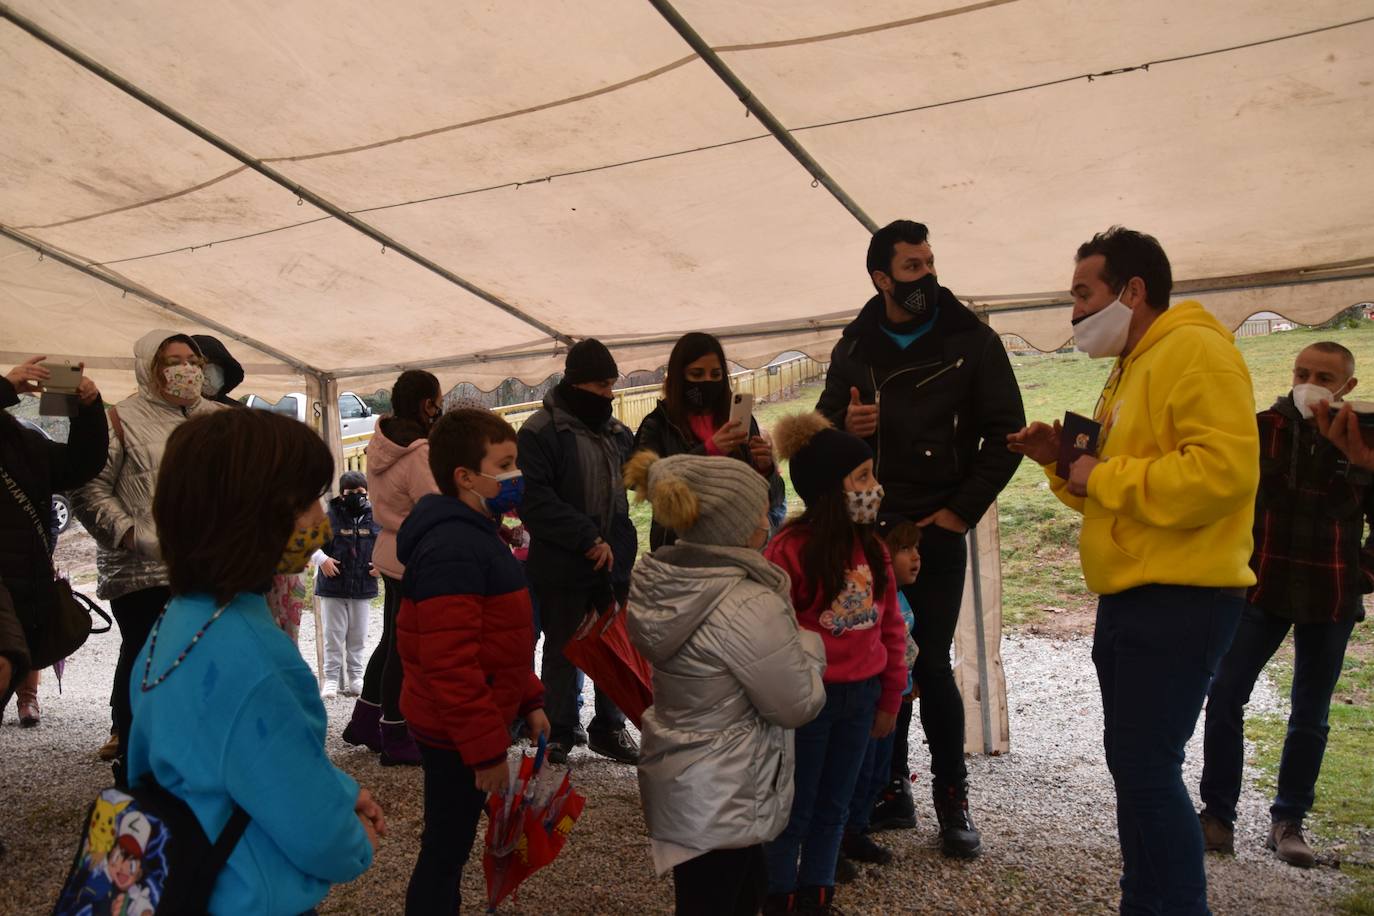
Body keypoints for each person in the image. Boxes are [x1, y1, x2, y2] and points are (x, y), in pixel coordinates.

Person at [1008, 226, 1259, 914]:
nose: (1075, 313)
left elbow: (1225, 473)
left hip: (1182, 595)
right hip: (1133, 594)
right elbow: (1105, 486)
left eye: (1083, 294)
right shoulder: (1135, 364)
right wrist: (1062, 460)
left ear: (1134, 290)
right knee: (1135, 768)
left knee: (1147, 770)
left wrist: (1105, 473)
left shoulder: (1198, 353)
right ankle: (1144, 901)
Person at [815, 219, 1024, 855]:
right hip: (868, 524)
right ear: (881, 278)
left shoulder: (972, 340)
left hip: (934, 525)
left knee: (927, 663)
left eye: (930, 263)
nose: (926, 276)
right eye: (912, 268)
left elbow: (1006, 435)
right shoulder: (854, 347)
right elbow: (821, 429)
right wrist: (842, 422)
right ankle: (889, 790)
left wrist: (961, 512)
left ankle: (953, 801)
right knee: (880, 662)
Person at [127, 407, 383, 915]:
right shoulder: (256, 659)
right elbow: (312, 827)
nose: (319, 518)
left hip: (192, 879)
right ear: (251, 512)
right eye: (307, 500)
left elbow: (229, 760)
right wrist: (353, 842)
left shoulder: (180, 621)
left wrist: (339, 788)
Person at [624, 450, 827, 916]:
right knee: (727, 897)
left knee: (718, 894)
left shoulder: (669, 582)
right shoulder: (746, 602)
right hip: (728, 787)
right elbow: (795, 705)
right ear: (733, 525)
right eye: (759, 509)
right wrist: (811, 649)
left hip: (690, 780)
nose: (767, 518)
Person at [1198, 342, 1372, 868]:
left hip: (1333, 591)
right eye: (1303, 372)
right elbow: (1224, 498)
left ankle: (1289, 821)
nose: (1311, 381)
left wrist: (1364, 573)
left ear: (1348, 387)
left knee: (1310, 713)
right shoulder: (1259, 429)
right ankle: (1217, 816)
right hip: (1261, 587)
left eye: (1325, 375)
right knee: (1225, 693)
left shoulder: (1364, 437)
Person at [394, 408, 548, 915]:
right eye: (504, 465)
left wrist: (528, 698)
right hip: (455, 729)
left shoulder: (480, 534)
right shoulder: (454, 547)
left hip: (472, 719)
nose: (516, 477)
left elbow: (499, 639)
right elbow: (450, 661)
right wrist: (484, 751)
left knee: (451, 841)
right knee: (446, 847)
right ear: (465, 476)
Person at [760, 412, 908, 914]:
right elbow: (772, 636)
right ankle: (779, 893)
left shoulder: (873, 548)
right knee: (795, 809)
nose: (876, 488)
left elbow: (891, 628)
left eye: (873, 475)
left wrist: (891, 697)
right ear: (828, 488)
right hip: (808, 705)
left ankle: (817, 895)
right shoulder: (788, 549)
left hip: (862, 699)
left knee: (835, 808)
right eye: (863, 478)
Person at [71, 332, 225, 775]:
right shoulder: (121, 419)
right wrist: (130, 535)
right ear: (148, 368)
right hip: (143, 573)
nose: (186, 369)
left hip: (210, 569)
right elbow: (88, 488)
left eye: (192, 360)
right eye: (171, 360)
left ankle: (201, 765)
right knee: (149, 663)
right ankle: (139, 767)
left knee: (207, 663)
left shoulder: (219, 419)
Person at [518, 339, 640, 765]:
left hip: (613, 563)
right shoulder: (538, 432)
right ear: (576, 383)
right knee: (563, 647)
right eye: (602, 384)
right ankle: (557, 731)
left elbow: (628, 498)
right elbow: (536, 501)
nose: (609, 393)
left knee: (614, 647)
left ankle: (610, 727)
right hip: (560, 564)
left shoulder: (618, 433)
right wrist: (586, 538)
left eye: (611, 384)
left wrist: (618, 551)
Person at [341, 370, 443, 766]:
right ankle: (396, 732)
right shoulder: (417, 452)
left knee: (390, 640)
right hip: (412, 553)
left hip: (389, 549)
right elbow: (432, 502)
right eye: (437, 400)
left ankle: (366, 720)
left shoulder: (381, 443)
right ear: (425, 404)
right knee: (403, 647)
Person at [1, 356, 108, 728]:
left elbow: (78, 465)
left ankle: (27, 697)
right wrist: (5, 389)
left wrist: (89, 409)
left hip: (19, 580)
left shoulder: (17, 437)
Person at [633, 332, 784, 549]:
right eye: (696, 374)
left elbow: (773, 500)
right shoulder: (658, 424)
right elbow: (649, 486)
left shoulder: (739, 419)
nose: (708, 382)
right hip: (681, 548)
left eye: (716, 374)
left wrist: (766, 469)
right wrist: (709, 450)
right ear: (678, 376)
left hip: (738, 545)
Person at [838, 515, 921, 881]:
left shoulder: (902, 598)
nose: (915, 557)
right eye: (904, 549)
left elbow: (905, 647)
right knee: (854, 773)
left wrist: (907, 683)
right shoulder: (868, 599)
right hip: (871, 701)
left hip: (895, 700)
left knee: (877, 774)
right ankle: (836, 841)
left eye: (916, 548)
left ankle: (856, 831)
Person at [313, 470, 380, 698]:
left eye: (361, 492)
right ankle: (331, 679)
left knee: (358, 636)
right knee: (333, 634)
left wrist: (381, 565)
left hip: (363, 587)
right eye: (351, 492)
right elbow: (310, 542)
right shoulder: (329, 516)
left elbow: (387, 544)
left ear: (368, 493)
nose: (356, 496)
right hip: (333, 587)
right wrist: (322, 560)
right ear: (342, 494)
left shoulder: (376, 517)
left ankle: (356, 678)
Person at [191, 334, 245, 406]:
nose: (212, 371)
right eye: (203, 363)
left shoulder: (239, 412)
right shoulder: (174, 410)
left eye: (217, 364)